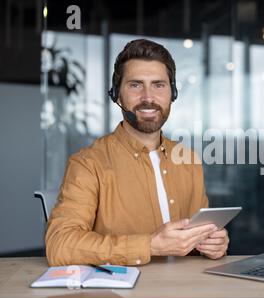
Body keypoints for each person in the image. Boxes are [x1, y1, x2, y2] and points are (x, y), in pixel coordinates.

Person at [45, 39, 229, 266]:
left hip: (186, 290)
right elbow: (60, 244)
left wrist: (212, 244)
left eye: (158, 85)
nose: (148, 97)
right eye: (135, 85)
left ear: (173, 93)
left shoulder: (188, 159)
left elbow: (200, 233)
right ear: (116, 94)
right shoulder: (88, 163)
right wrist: (149, 245)